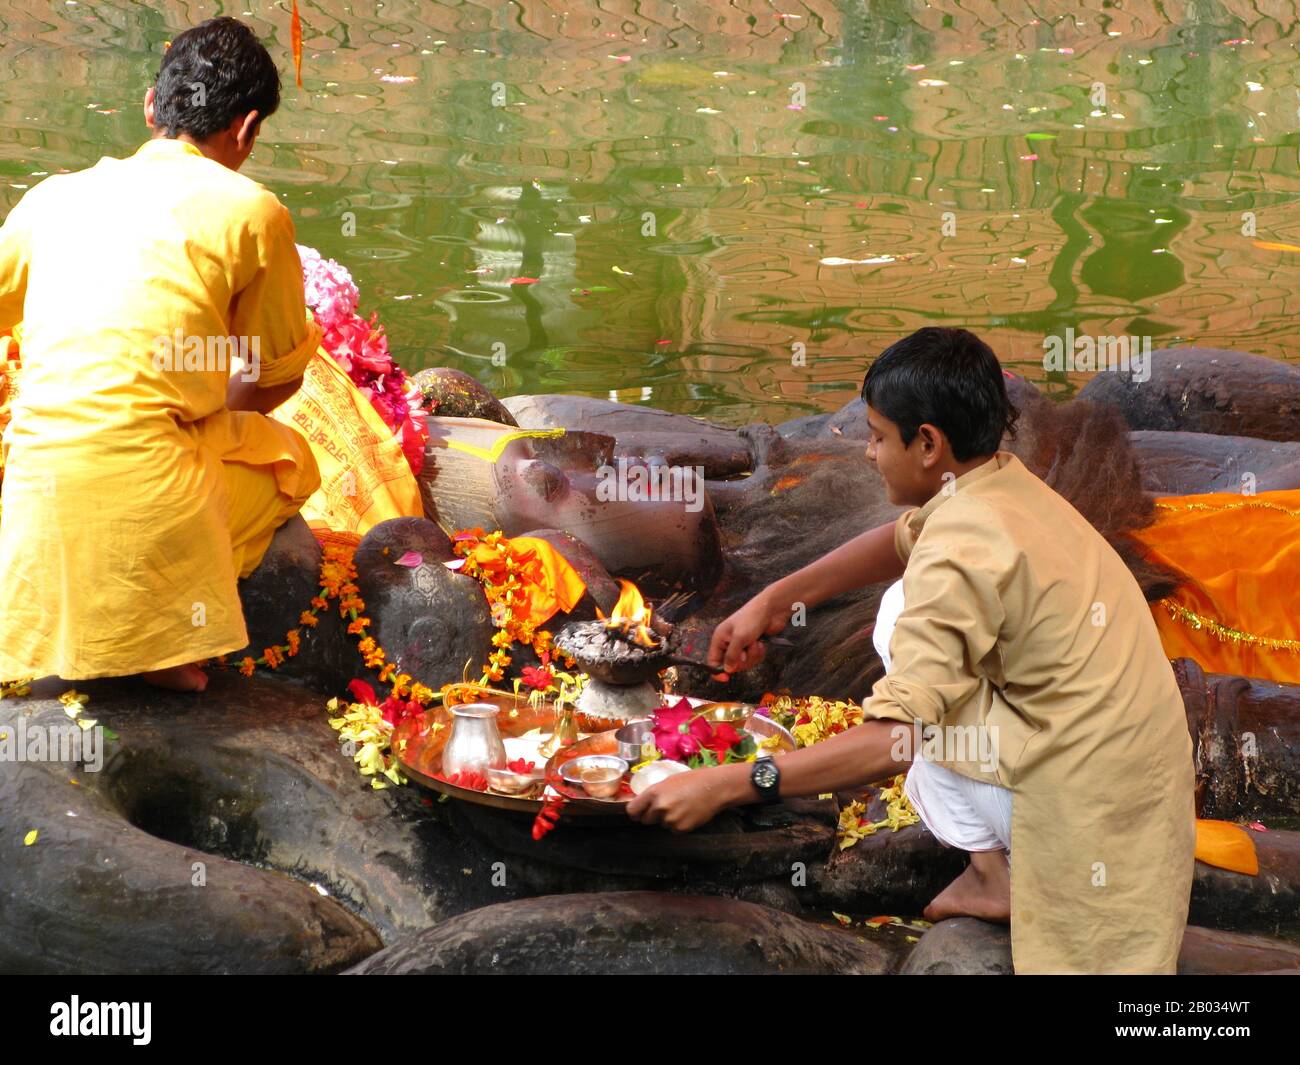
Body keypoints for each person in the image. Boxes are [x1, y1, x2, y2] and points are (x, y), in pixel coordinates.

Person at [626, 327, 1196, 974]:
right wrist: (777, 597)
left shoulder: (956, 556)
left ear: (928, 443)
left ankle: (1002, 872)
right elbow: (902, 540)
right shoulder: (998, 484)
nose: (867, 452)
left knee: (909, 651)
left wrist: (729, 784)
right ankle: (992, 872)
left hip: (1087, 827)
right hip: (1137, 795)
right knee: (907, 624)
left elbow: (893, 740)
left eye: (875, 435)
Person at [0, 18, 321, 692]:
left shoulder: (49, 199)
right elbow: (271, 378)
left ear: (151, 106)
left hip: (38, 487)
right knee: (291, 461)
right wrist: (216, 416)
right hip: (155, 484)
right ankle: (170, 638)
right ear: (247, 128)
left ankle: (81, 631)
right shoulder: (252, 211)